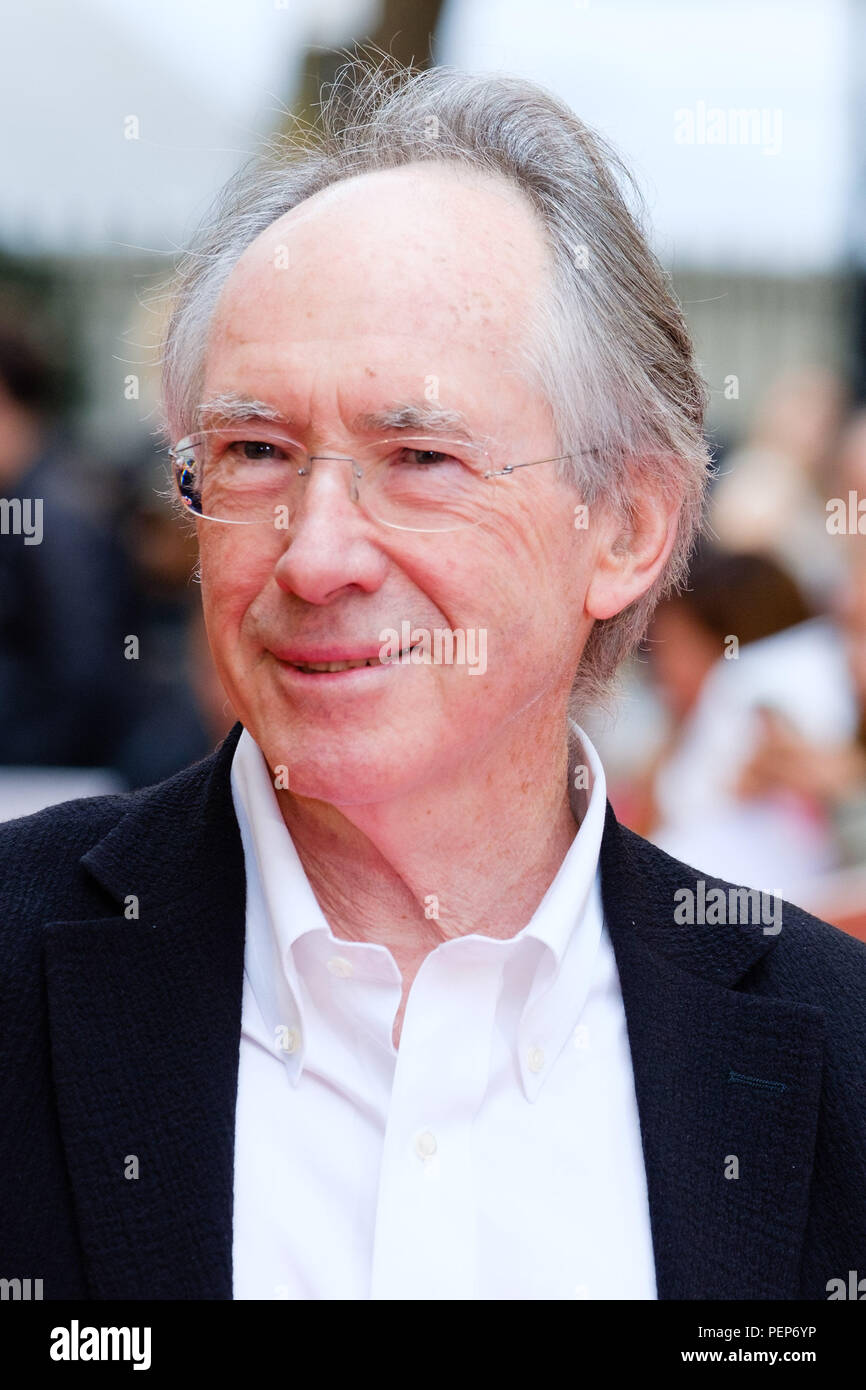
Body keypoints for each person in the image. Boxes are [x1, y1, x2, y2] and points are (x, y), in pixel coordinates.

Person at [1, 55, 864, 1302]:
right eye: (254, 451)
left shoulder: (836, 1056)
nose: (315, 555)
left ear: (624, 526)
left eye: (418, 458)